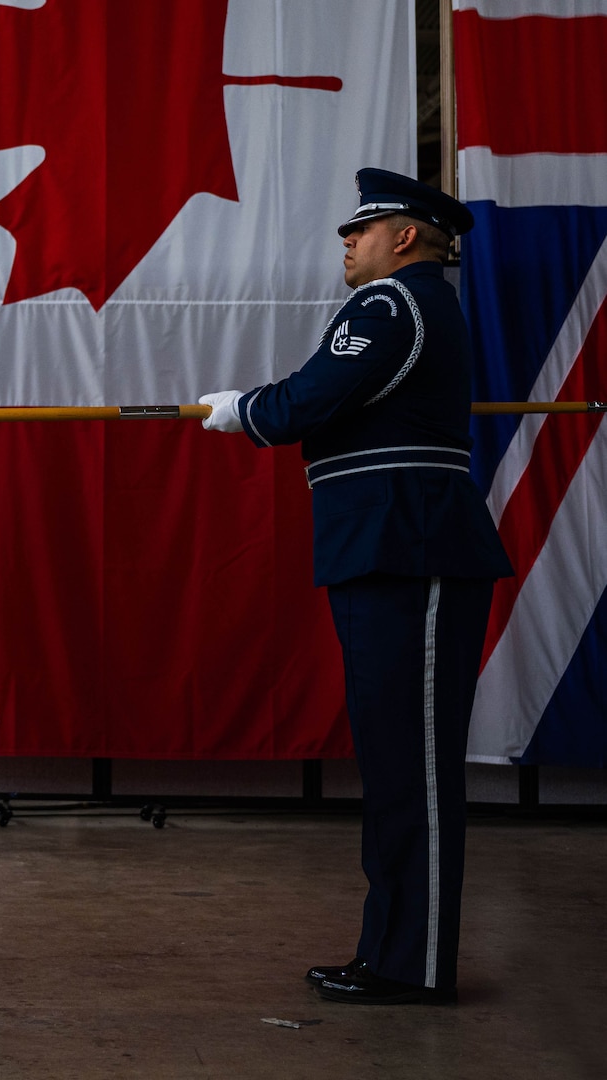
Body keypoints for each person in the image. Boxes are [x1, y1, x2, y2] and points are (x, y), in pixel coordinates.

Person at [198, 169, 513, 1005]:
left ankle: (412, 964)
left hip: (409, 548)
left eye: (360, 230)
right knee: (396, 762)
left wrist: (245, 409)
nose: (347, 241)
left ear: (403, 237)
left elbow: (310, 399)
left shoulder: (390, 305)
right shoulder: (413, 307)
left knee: (414, 768)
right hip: (388, 548)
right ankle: (396, 953)